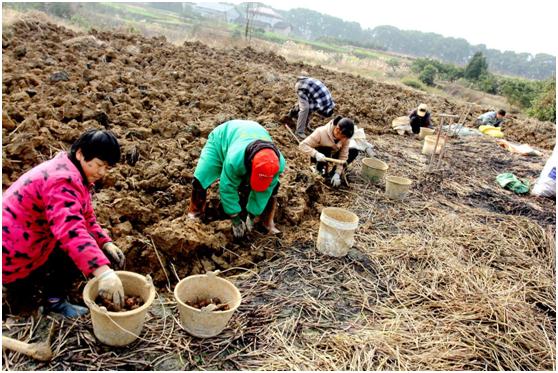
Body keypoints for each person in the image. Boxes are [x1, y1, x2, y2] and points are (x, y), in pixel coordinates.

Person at [2, 129, 126, 318]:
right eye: (99, 165)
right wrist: (103, 272)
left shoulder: (74, 171)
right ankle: (50, 303)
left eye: (107, 167)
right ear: (80, 154)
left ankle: (43, 295)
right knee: (25, 299)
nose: (102, 172)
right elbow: (71, 230)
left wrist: (104, 242)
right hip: (13, 248)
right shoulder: (62, 181)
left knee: (87, 244)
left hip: (29, 236)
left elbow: (85, 217)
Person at [188, 120, 286, 237]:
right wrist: (235, 218)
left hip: (251, 135)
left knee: (273, 186)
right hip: (221, 138)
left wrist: (252, 214)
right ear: (250, 163)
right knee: (201, 179)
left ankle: (266, 222)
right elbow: (227, 188)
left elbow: (265, 190)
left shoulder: (278, 163)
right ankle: (195, 215)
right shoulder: (234, 160)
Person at [299, 116, 355, 188]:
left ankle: (332, 175)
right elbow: (302, 145)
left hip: (333, 155)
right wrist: (316, 154)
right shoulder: (321, 132)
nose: (345, 140)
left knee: (353, 151)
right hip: (321, 156)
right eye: (343, 137)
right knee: (325, 149)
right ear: (337, 130)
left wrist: (337, 173)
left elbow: (343, 157)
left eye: (346, 138)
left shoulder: (345, 138)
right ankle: (320, 172)